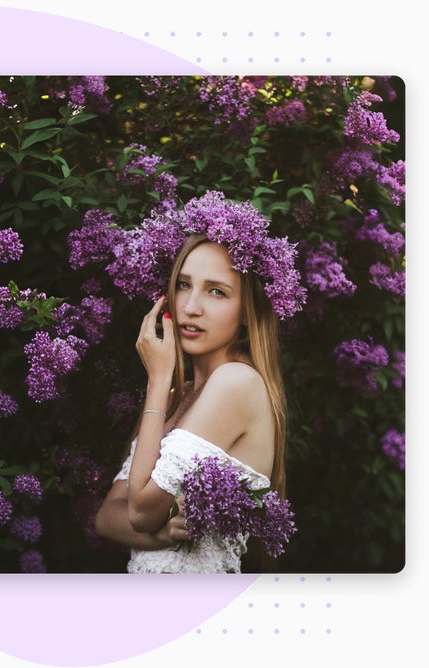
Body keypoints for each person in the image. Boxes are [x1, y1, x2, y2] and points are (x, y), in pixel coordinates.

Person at [94, 192, 305, 573]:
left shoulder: (235, 382)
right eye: (184, 284)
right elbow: (108, 516)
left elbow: (138, 512)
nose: (190, 307)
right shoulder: (184, 396)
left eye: (216, 291)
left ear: (247, 313)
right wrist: (160, 536)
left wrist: (158, 380)